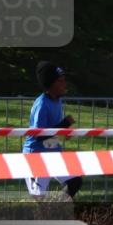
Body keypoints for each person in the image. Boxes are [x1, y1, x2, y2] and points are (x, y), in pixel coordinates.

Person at [24, 61, 82, 198]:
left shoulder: (57, 100)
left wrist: (65, 131)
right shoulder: (42, 104)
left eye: (64, 80)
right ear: (51, 85)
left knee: (75, 181)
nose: (64, 84)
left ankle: (56, 206)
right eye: (60, 81)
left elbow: (54, 128)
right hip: (37, 156)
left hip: (53, 153)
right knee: (39, 198)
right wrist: (64, 124)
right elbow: (39, 135)